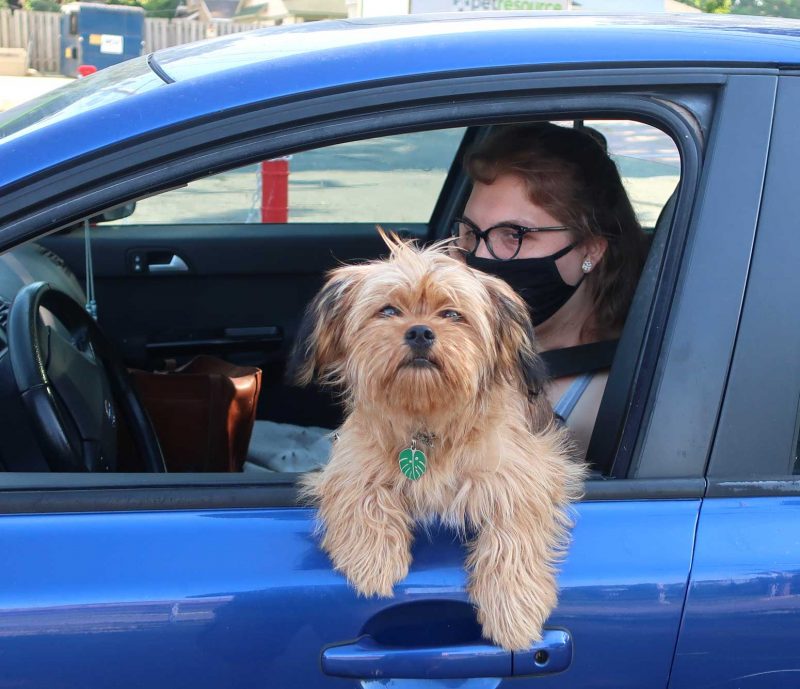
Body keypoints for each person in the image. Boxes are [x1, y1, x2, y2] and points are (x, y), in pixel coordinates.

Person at [452, 122, 649, 460]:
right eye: (470, 233)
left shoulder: (611, 396)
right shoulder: (458, 345)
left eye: (514, 235)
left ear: (590, 251)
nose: (480, 257)